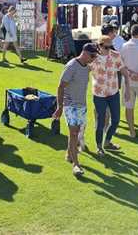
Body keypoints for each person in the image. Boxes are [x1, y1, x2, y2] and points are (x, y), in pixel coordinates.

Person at [53, 43, 99, 176]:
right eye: (92, 55)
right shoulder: (71, 66)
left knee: (76, 133)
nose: (94, 58)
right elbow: (60, 87)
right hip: (70, 104)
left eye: (95, 56)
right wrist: (60, 107)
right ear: (84, 53)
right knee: (74, 134)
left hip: (81, 105)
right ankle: (76, 165)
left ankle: (68, 154)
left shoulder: (87, 66)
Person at [89, 36, 131, 156]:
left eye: (110, 46)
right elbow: (83, 69)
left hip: (113, 92)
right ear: (99, 46)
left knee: (116, 119)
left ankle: (107, 141)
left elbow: (125, 73)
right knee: (100, 121)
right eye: (106, 47)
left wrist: (127, 90)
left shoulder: (115, 55)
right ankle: (99, 146)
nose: (109, 49)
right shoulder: (93, 58)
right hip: (99, 94)